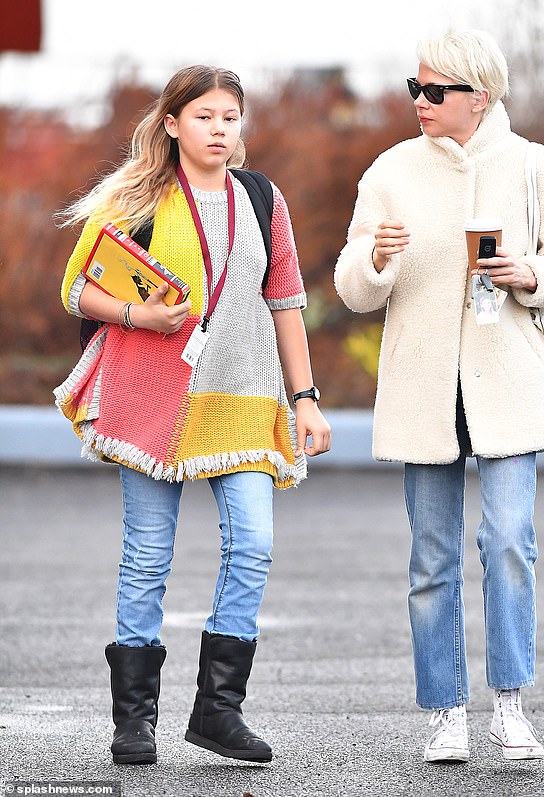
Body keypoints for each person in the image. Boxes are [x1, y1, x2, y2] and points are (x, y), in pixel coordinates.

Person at [55, 65, 331, 766]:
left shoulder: (262, 199)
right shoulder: (138, 196)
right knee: (147, 558)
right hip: (154, 404)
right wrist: (139, 314)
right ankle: (134, 721)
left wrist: (305, 400)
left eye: (230, 117)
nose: (220, 129)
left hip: (243, 398)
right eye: (205, 116)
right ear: (173, 122)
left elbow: (286, 304)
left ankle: (218, 709)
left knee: (256, 543)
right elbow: (77, 289)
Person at [334, 29, 544, 763]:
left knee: (510, 542)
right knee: (431, 559)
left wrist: (529, 272)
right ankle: (446, 711)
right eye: (414, 88)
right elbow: (352, 288)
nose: (420, 101)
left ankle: (510, 705)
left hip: (509, 386)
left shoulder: (536, 167)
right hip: (425, 390)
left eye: (435, 91)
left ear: (479, 96)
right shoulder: (389, 171)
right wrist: (375, 260)